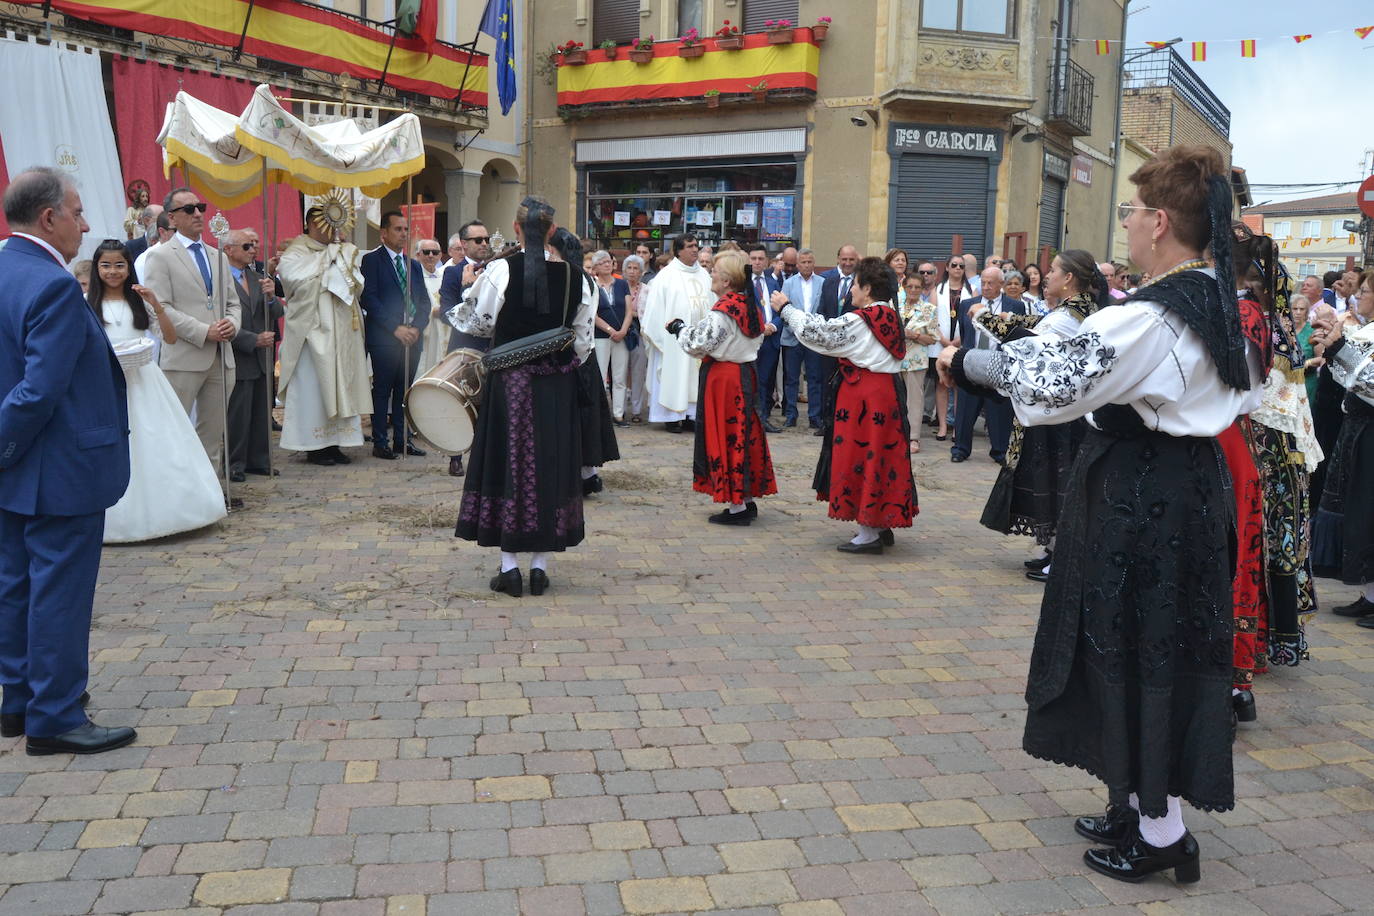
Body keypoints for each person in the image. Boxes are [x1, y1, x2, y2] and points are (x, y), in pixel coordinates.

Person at [938, 144, 1265, 884]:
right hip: (1178, 484)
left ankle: (1162, 832)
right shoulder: (1214, 298)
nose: (1127, 223)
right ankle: (1137, 801)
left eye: (1132, 211)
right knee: (1139, 640)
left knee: (1140, 644)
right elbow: (1244, 387)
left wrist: (966, 362)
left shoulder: (1154, 316)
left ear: (1160, 222)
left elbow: (1052, 383)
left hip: (1145, 496)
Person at [0, 167, 135, 755]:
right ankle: (54, 715)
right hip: (56, 465)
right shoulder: (53, 284)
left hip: (20, 466)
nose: (85, 224)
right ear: (48, 217)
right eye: (77, 213)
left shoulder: (6, 267)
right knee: (58, 591)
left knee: (15, 585)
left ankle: (18, 700)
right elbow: (39, 389)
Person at [452, 197, 595, 598]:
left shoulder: (500, 270)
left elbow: (477, 323)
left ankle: (509, 567)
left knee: (508, 463)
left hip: (511, 384)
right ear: (552, 231)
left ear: (516, 229)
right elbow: (583, 342)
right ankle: (539, 568)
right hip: (557, 384)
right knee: (550, 463)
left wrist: (466, 293)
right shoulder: (578, 277)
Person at [974, 251, 1109, 579]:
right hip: (1057, 411)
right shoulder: (1073, 309)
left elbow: (1031, 345)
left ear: (1069, 278)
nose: (1047, 275)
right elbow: (1033, 327)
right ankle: (1052, 547)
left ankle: (1061, 554)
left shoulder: (1071, 315)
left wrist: (984, 321)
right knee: (1049, 480)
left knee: (1057, 482)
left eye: (1054, 270)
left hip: (1060, 417)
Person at [773, 256, 918, 553]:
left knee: (862, 456)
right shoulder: (889, 314)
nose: (851, 289)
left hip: (865, 396)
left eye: (855, 284)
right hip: (885, 393)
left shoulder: (862, 319)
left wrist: (787, 309)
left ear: (867, 289)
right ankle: (880, 523)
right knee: (881, 457)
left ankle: (869, 532)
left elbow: (822, 334)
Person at [88, 239, 226, 542]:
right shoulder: (86, 303)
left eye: (119, 265)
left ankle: (172, 510)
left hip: (143, 379)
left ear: (129, 267)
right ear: (96, 268)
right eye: (106, 265)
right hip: (107, 383)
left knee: (153, 440)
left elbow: (170, 338)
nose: (113, 271)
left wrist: (157, 305)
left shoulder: (139, 300)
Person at [1237, 238, 1323, 672]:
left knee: (1265, 540)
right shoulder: (1273, 325)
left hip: (1266, 448)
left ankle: (1260, 638)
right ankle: (1263, 639)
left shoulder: (1261, 324)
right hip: (1275, 448)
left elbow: (1266, 395)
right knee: (1266, 540)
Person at [667, 250, 777, 525]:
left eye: (714, 271)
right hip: (744, 374)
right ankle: (746, 499)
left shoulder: (724, 311)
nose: (711, 275)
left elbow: (699, 343)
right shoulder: (749, 305)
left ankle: (737, 506)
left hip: (725, 379)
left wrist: (679, 328)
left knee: (727, 435)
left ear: (726, 280)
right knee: (743, 433)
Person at [142, 187, 240, 478]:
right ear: (171, 218)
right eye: (189, 209)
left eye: (200, 207)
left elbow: (232, 302)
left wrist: (232, 324)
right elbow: (160, 308)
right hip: (183, 357)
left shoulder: (218, 255)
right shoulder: (160, 256)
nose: (198, 214)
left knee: (212, 436)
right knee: (175, 432)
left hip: (221, 357)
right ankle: (173, 492)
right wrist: (203, 331)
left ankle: (210, 493)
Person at [277, 207, 372, 468]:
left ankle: (336, 443)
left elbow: (357, 286)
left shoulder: (344, 250)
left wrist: (341, 260)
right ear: (310, 223)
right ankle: (313, 446)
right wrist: (327, 261)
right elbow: (291, 281)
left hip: (342, 331)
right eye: (323, 222)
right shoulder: (297, 250)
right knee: (314, 389)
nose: (330, 229)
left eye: (334, 224)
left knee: (342, 384)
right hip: (312, 331)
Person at [1310, 270, 1374, 623]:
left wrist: (1338, 349)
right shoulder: (1368, 330)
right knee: (1362, 513)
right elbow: (1349, 379)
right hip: (1360, 427)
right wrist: (1334, 350)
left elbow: (1369, 382)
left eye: (1365, 291)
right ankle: (1370, 594)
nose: (1358, 296)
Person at [550, 233, 620, 496]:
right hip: (581, 357)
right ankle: (585, 474)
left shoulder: (572, 279)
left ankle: (582, 475)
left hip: (573, 358)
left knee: (578, 418)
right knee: (583, 418)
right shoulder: (583, 279)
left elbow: (578, 326)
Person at [361, 211, 430, 459]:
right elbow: (369, 298)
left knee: (405, 390)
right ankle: (380, 442)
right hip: (385, 338)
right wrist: (395, 328)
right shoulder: (372, 261)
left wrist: (416, 327)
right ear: (384, 233)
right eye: (398, 229)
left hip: (412, 338)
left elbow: (424, 302)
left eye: (406, 229)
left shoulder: (414, 265)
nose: (403, 234)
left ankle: (403, 440)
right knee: (382, 389)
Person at [225, 229, 283, 482]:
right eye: (246, 246)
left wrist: (271, 297)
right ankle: (234, 463)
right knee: (238, 415)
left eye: (254, 245)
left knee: (261, 412)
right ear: (229, 250)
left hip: (262, 357)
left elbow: (278, 311)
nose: (253, 250)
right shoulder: (221, 279)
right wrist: (252, 340)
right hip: (238, 354)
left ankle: (259, 460)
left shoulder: (258, 277)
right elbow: (221, 321)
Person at [640, 235, 712, 432]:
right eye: (690, 246)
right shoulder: (666, 276)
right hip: (673, 340)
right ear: (679, 251)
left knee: (694, 376)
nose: (695, 250)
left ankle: (690, 416)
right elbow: (654, 311)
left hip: (698, 338)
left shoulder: (704, 275)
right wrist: (662, 338)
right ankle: (671, 417)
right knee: (675, 374)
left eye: (696, 246)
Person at [951, 266, 1021, 464]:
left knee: (998, 410)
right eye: (983, 283)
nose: (986, 286)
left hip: (998, 364)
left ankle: (999, 451)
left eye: (991, 283)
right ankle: (960, 449)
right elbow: (965, 334)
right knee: (965, 409)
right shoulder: (967, 304)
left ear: (1001, 284)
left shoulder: (1015, 306)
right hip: (972, 363)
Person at [779, 248, 825, 430]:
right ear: (797, 265)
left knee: (814, 377)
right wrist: (795, 328)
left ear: (814, 263)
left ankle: (815, 416)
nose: (806, 265)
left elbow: (823, 308)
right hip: (792, 337)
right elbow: (783, 309)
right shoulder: (788, 284)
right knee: (791, 378)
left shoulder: (822, 283)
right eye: (803, 262)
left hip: (814, 338)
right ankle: (791, 414)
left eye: (809, 262)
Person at [926, 256, 971, 441]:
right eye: (954, 265)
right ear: (947, 267)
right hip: (940, 343)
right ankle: (943, 425)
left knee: (959, 384)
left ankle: (957, 427)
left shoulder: (971, 290)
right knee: (942, 383)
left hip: (962, 343)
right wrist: (943, 340)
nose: (958, 268)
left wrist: (958, 341)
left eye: (961, 266)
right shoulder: (937, 290)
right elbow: (931, 318)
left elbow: (973, 320)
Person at [589, 249, 634, 427]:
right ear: (595, 268)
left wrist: (622, 330)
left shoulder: (622, 284)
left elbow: (629, 310)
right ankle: (600, 415)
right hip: (601, 336)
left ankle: (618, 414)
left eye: (608, 261)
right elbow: (592, 314)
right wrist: (610, 331)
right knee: (600, 376)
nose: (607, 264)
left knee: (619, 377)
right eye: (602, 262)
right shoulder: (592, 285)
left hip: (621, 336)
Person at [897, 270, 937, 454]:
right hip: (893, 359)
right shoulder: (894, 306)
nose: (913, 290)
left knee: (914, 399)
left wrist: (914, 335)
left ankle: (913, 437)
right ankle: (894, 433)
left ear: (922, 289)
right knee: (893, 397)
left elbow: (933, 339)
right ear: (904, 287)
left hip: (916, 360)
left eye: (917, 287)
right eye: (910, 287)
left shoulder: (929, 309)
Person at [747, 244, 784, 432]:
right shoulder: (744, 284)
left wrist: (773, 326)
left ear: (767, 261)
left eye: (760, 259)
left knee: (767, 380)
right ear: (748, 260)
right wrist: (761, 328)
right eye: (753, 258)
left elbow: (781, 309)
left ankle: (764, 417)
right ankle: (754, 419)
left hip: (771, 339)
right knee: (753, 380)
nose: (757, 262)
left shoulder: (772, 283)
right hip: (752, 338)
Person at [622, 254, 651, 423]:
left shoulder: (647, 290)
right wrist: (631, 314)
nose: (632, 271)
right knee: (620, 373)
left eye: (636, 268)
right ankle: (620, 410)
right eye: (629, 268)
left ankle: (636, 410)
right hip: (620, 333)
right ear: (624, 270)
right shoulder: (619, 286)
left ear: (641, 272)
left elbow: (649, 313)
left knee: (638, 372)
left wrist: (631, 313)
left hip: (639, 334)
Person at [414, 238, 449, 378]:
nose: (430, 255)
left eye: (435, 252)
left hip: (444, 329)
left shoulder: (445, 276)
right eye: (426, 252)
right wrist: (431, 311)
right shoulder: (413, 277)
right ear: (418, 255)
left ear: (440, 255)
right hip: (425, 331)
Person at [1291, 294, 1320, 406]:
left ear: (1306, 311)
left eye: (1302, 309)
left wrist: (1308, 362)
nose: (1298, 312)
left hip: (1306, 382)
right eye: (1295, 309)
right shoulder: (1283, 329)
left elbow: (1323, 358)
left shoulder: (1313, 331)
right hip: (1286, 382)